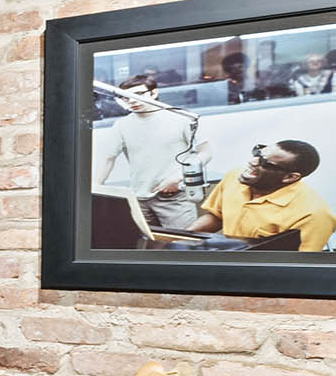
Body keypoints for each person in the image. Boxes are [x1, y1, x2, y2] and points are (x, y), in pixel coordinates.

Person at [92, 82, 207, 229]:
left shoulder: (181, 118)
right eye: (126, 98)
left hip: (174, 197)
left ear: (154, 93)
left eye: (138, 94)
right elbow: (108, 159)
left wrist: (178, 177)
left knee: (182, 243)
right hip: (139, 198)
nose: (132, 100)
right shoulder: (122, 125)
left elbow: (205, 153)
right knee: (144, 245)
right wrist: (96, 189)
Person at [188, 139, 335, 251]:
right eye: (257, 153)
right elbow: (217, 216)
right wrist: (175, 239)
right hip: (229, 260)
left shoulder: (313, 215)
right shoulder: (234, 176)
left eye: (265, 163)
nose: (252, 162)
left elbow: (299, 266)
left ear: (290, 177)